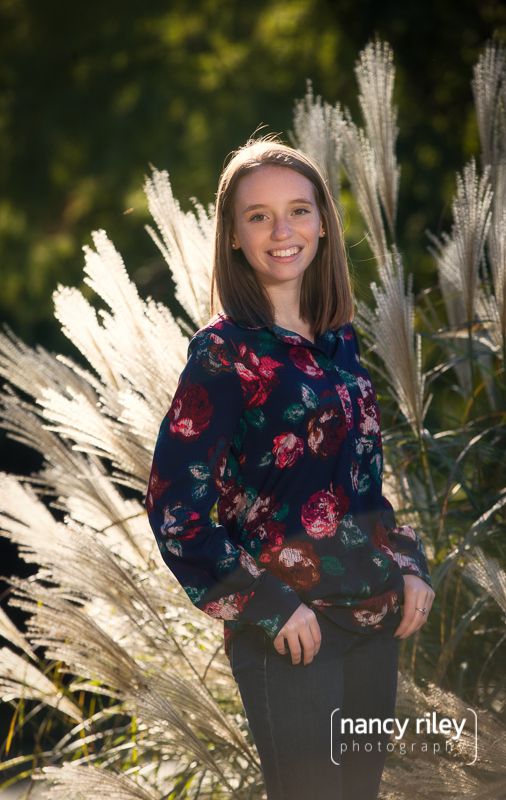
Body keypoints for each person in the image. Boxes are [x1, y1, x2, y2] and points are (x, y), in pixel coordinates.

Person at [146, 138, 434, 800]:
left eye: (298, 210)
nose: (283, 231)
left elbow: (360, 487)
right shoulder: (223, 356)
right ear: (234, 239)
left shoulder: (338, 343)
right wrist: (264, 603)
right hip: (291, 634)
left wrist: (408, 563)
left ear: (324, 223)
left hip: (373, 623)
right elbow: (174, 506)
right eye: (258, 216)